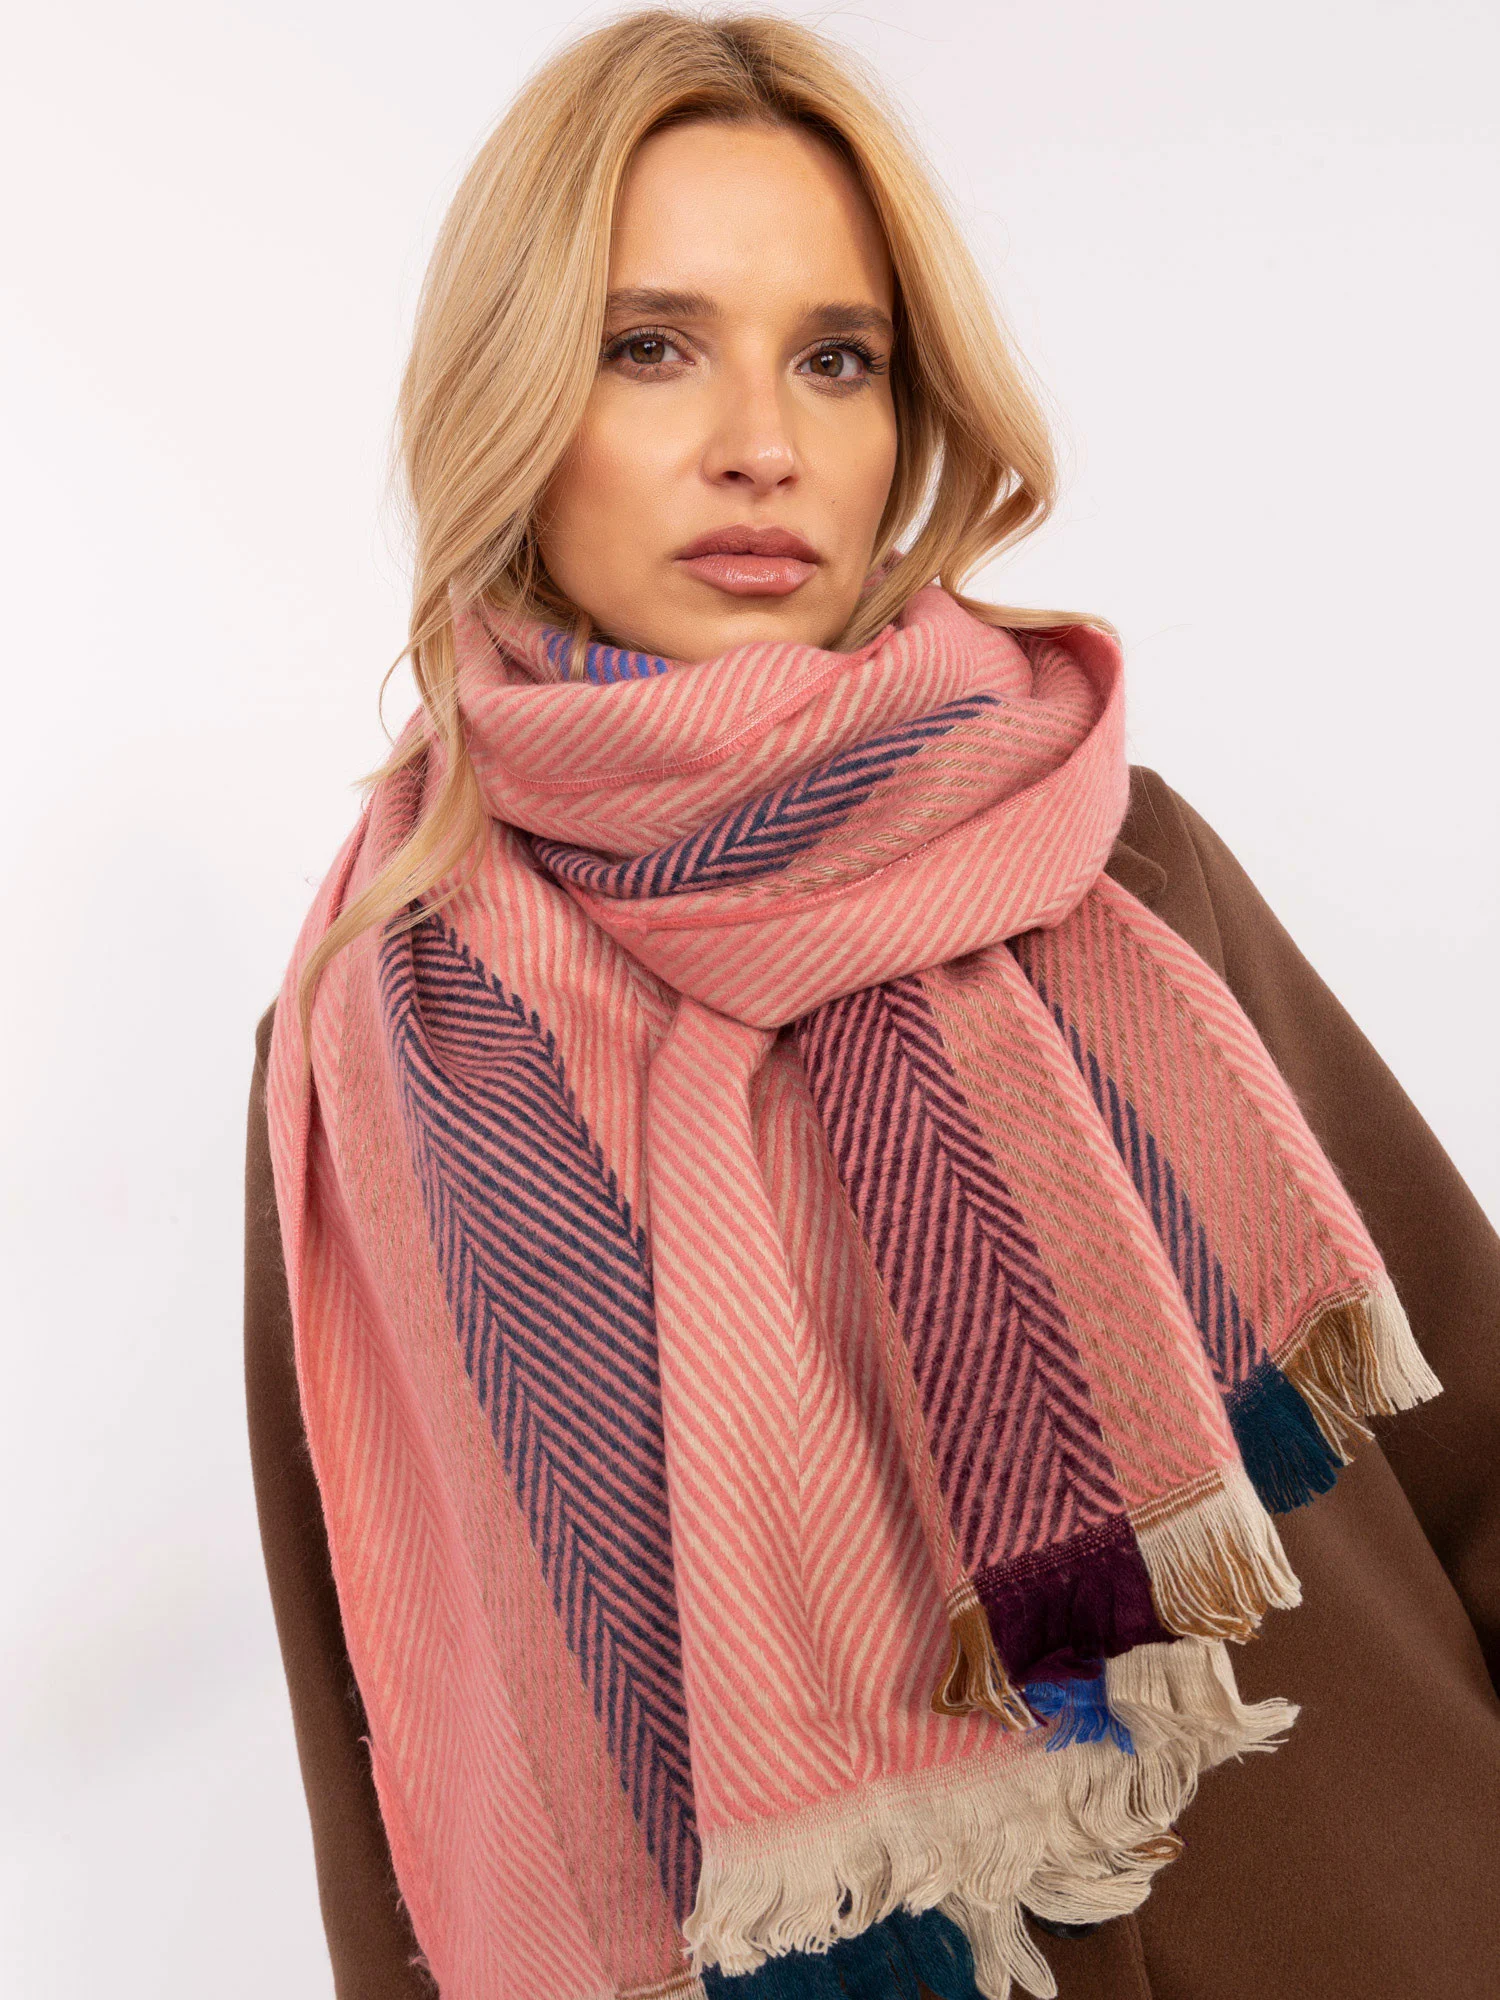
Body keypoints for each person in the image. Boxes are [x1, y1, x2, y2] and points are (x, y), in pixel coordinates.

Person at [243, 12, 1500, 2000]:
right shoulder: (380, 1047)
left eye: (837, 358)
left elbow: (1470, 1434)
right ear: (511, 395)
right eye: (651, 347)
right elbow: (381, 1727)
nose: (764, 441)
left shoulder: (1105, 852)